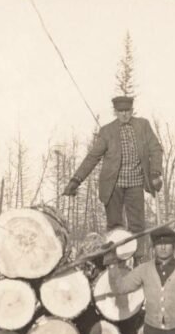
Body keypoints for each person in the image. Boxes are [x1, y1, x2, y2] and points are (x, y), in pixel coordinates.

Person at [63, 95, 164, 235]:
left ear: (132, 110)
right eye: (120, 111)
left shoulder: (143, 126)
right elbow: (93, 157)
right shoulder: (107, 131)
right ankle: (115, 257)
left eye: (127, 110)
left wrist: (155, 172)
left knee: (137, 226)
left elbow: (155, 148)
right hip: (113, 185)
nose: (124, 114)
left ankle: (138, 257)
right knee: (115, 227)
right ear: (115, 112)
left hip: (136, 183)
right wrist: (76, 180)